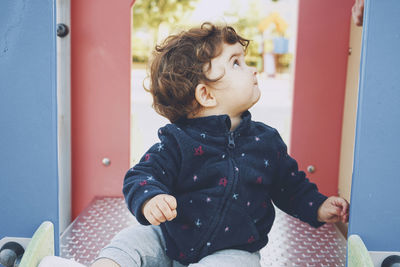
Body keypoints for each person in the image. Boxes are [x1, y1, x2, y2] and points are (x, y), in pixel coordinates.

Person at [41, 22, 349, 267]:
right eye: (237, 63)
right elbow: (141, 176)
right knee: (131, 242)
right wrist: (152, 199)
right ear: (206, 95)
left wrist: (319, 206)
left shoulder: (266, 140)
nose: (253, 69)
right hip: (171, 238)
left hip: (235, 249)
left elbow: (290, 186)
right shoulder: (178, 140)